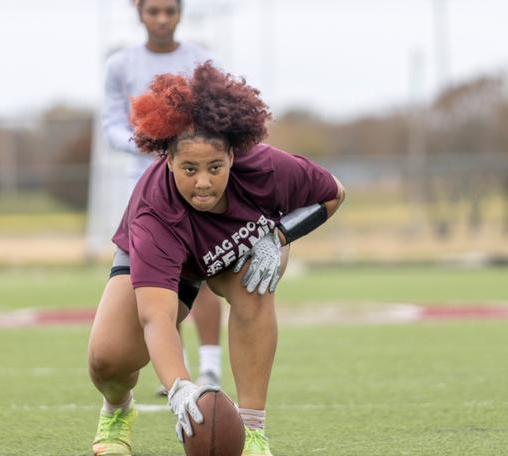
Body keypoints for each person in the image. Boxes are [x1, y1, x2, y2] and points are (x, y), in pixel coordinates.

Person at [88, 62, 345, 456]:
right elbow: (155, 317)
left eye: (215, 167)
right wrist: (179, 385)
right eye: (189, 169)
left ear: (233, 155)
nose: (203, 182)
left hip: (236, 251)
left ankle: (253, 431)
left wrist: (278, 235)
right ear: (167, 160)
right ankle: (117, 411)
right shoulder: (153, 213)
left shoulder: (265, 166)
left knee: (256, 282)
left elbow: (333, 193)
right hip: (174, 259)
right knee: (109, 360)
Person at [102, 0, 224, 392]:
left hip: (195, 184)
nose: (161, 19)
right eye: (153, 11)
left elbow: (217, 121)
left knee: (204, 272)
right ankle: (178, 364)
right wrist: (147, 142)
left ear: (180, 13)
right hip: (145, 189)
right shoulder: (121, 65)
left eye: (169, 11)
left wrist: (189, 153)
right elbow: (112, 126)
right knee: (159, 277)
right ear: (139, 12)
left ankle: (210, 368)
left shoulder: (201, 61)